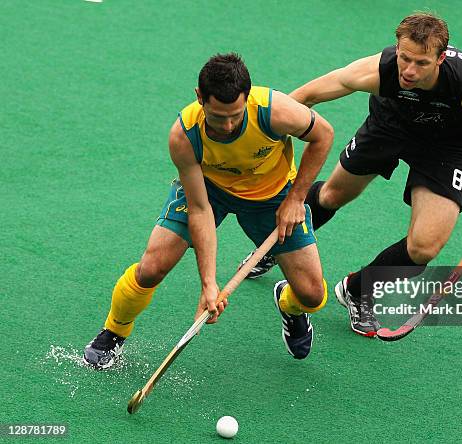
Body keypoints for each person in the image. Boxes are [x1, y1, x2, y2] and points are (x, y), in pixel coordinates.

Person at [241, 13, 462, 337]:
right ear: (397, 48)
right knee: (331, 195)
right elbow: (308, 96)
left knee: (423, 248)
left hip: (444, 149)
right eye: (405, 58)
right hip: (388, 128)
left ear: (441, 58)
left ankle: (358, 289)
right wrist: (261, 133)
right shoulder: (381, 70)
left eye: (422, 63)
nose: (409, 71)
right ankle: (277, 246)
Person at [83, 53, 334, 368]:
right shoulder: (184, 135)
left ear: (248, 97)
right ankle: (113, 331)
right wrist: (209, 284)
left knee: (311, 294)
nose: (228, 125)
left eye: (235, 115)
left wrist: (297, 198)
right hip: (209, 190)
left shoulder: (275, 111)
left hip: (273, 196)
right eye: (218, 116)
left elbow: (323, 135)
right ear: (199, 97)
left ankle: (290, 306)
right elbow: (200, 209)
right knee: (153, 265)